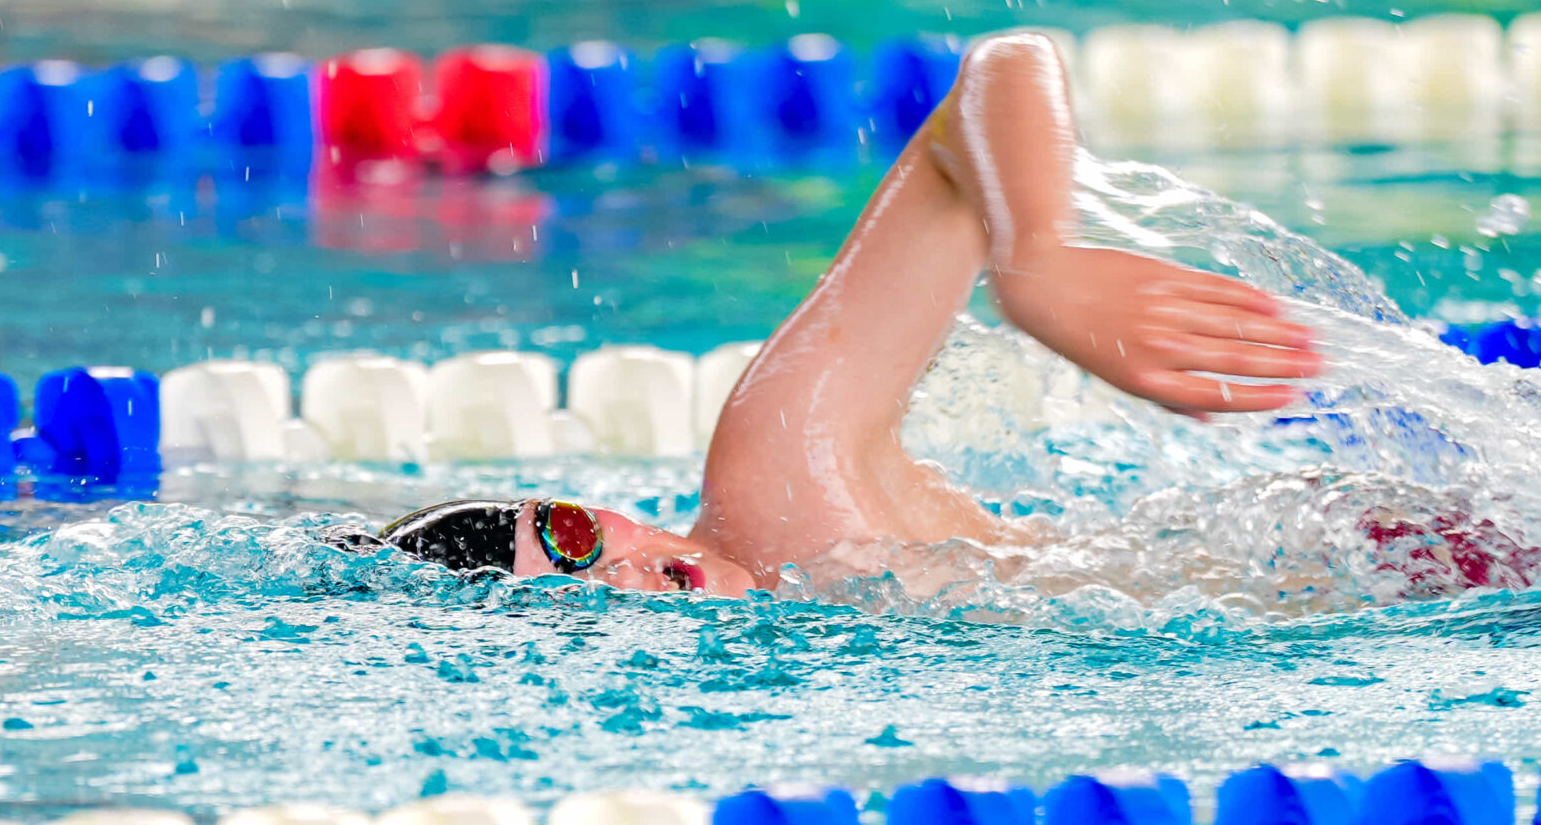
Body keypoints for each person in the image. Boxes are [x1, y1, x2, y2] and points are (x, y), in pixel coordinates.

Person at [359, 31, 1326, 595]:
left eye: (573, 535)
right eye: (571, 603)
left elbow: (1000, 68)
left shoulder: (783, 484)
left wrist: (1036, 257)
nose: (623, 578)